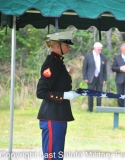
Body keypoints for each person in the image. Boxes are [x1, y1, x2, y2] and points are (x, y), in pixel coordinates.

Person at [36, 31, 80, 160]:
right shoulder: (51, 64)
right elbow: (41, 92)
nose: (69, 47)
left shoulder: (58, 62)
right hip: (52, 116)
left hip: (58, 116)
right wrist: (64, 95)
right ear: (57, 45)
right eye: (66, 44)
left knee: (57, 156)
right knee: (52, 157)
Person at [82, 42, 107, 112]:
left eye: (101, 49)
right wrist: (85, 77)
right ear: (94, 48)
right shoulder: (88, 56)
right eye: (99, 49)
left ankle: (99, 109)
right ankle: (90, 109)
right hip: (91, 78)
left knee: (99, 94)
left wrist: (104, 79)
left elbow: (104, 70)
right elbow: (84, 68)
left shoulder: (103, 57)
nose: (100, 51)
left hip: (100, 78)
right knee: (90, 94)